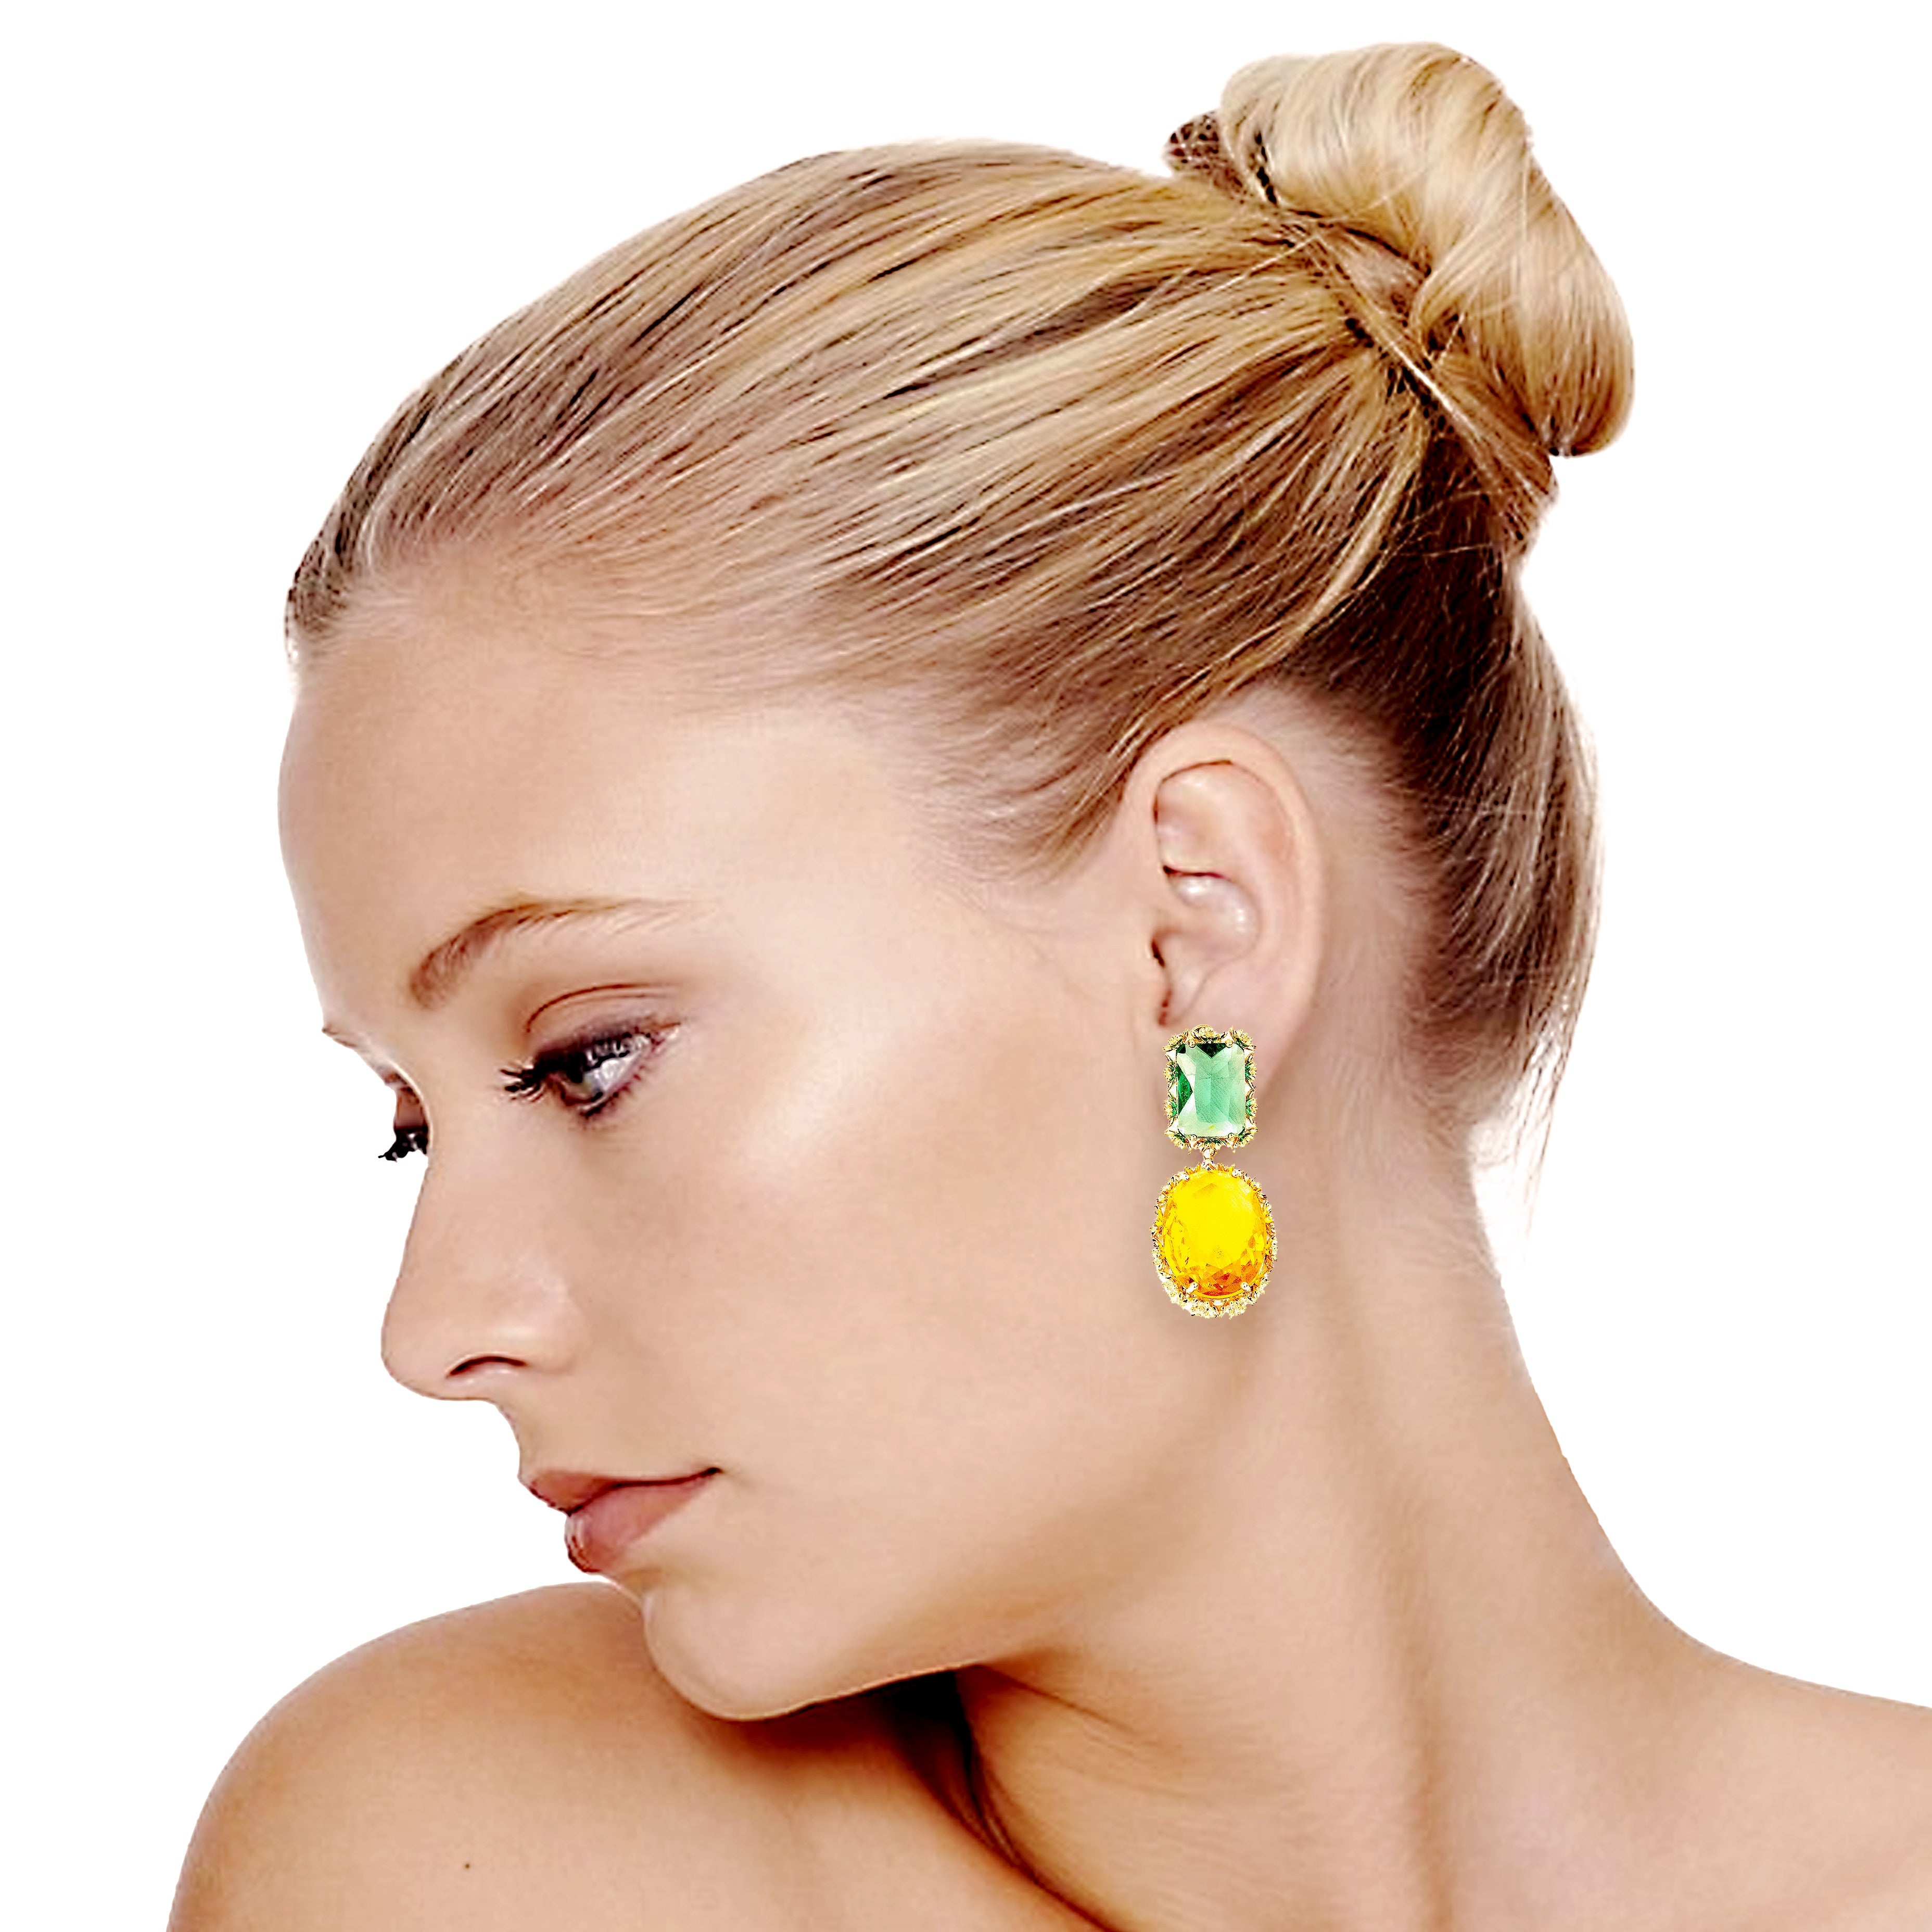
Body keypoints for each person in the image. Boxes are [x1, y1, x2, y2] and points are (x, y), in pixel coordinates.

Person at [168, 40, 1932, 1930]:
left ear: (1198, 932)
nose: (433, 1333)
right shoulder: (486, 1850)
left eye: (589, 1058)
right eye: (409, 1125)